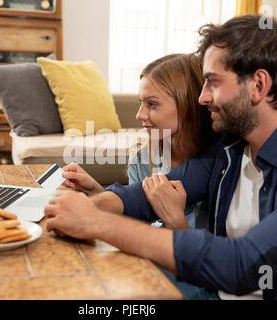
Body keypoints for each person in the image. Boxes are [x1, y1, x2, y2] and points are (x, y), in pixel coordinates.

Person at [44, 15, 277, 300]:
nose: (202, 98)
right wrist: (75, 209)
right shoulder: (232, 149)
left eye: (212, 82)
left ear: (259, 85)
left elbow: (246, 262)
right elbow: (146, 194)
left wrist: (95, 222)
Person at [60, 53, 218, 299]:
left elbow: (214, 271)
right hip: (147, 267)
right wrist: (98, 193)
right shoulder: (144, 157)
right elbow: (137, 226)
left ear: (188, 106)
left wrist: (177, 225)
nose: (139, 114)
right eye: (141, 102)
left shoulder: (219, 168)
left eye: (152, 104)